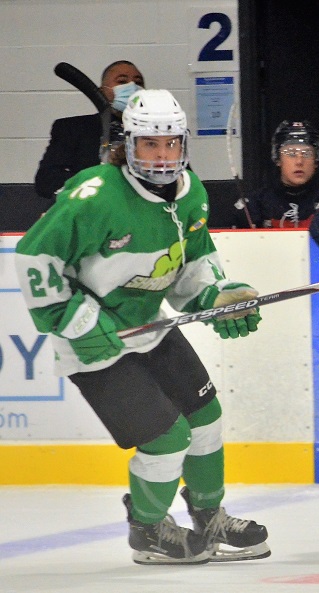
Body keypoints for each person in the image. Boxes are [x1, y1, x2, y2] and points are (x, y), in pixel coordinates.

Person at [15, 89, 270, 565]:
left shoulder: (191, 192)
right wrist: (77, 322)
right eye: (150, 144)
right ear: (127, 146)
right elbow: (34, 256)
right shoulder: (94, 195)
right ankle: (148, 530)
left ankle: (209, 516)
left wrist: (218, 297)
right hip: (94, 343)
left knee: (206, 421)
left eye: (170, 144)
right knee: (167, 439)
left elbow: (192, 268)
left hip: (150, 326)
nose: (162, 155)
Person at [234, 120, 319, 247]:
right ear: (278, 159)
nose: (299, 161)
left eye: (307, 153)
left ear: (316, 160)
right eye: (291, 153)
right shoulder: (256, 202)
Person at [34, 60, 144, 201]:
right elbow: (46, 181)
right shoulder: (72, 128)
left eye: (138, 82)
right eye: (122, 81)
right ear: (102, 91)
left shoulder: (158, 134)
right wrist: (96, 185)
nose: (132, 87)